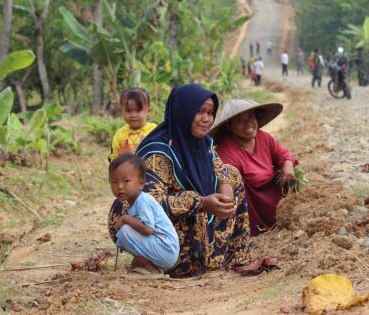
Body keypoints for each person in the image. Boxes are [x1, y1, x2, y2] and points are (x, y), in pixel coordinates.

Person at [108, 84, 255, 277]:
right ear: (183, 111)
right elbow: (151, 202)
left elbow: (219, 168)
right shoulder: (158, 152)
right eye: (199, 111)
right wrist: (201, 202)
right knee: (124, 209)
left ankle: (233, 253)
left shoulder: (204, 143)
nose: (206, 119)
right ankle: (148, 262)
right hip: (166, 234)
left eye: (210, 113)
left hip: (199, 227)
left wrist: (225, 191)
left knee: (231, 173)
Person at [210, 99, 297, 235]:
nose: (248, 123)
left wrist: (288, 166)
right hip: (253, 211)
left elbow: (283, 154)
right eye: (240, 120)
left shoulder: (264, 138)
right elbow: (228, 184)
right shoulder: (225, 152)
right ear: (229, 126)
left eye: (251, 116)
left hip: (277, 204)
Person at [110, 153, 179, 276]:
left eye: (126, 181)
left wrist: (125, 218)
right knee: (125, 234)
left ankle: (152, 271)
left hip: (166, 248)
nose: (120, 187)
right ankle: (137, 269)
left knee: (125, 232)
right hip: (162, 248)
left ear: (141, 184)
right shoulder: (135, 201)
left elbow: (147, 229)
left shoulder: (143, 200)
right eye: (114, 182)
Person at [110, 88, 157, 161]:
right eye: (128, 111)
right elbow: (114, 158)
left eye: (138, 110)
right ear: (121, 111)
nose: (133, 115)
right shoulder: (119, 135)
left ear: (148, 111)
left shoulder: (155, 131)